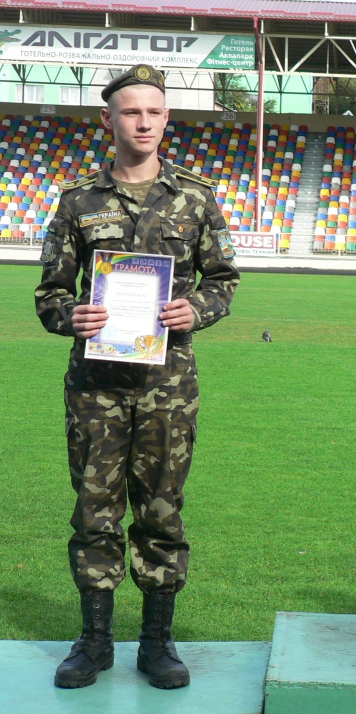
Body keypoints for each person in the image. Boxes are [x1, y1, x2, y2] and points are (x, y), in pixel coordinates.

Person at [35, 64, 240, 690]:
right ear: (108, 119)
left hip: (167, 386)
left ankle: (156, 643)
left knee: (161, 511)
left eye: (153, 112)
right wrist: (72, 316)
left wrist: (195, 310)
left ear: (166, 119)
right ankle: (95, 642)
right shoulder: (78, 200)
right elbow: (49, 294)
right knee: (93, 513)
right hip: (95, 387)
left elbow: (224, 281)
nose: (143, 122)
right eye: (130, 112)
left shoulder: (196, 197)